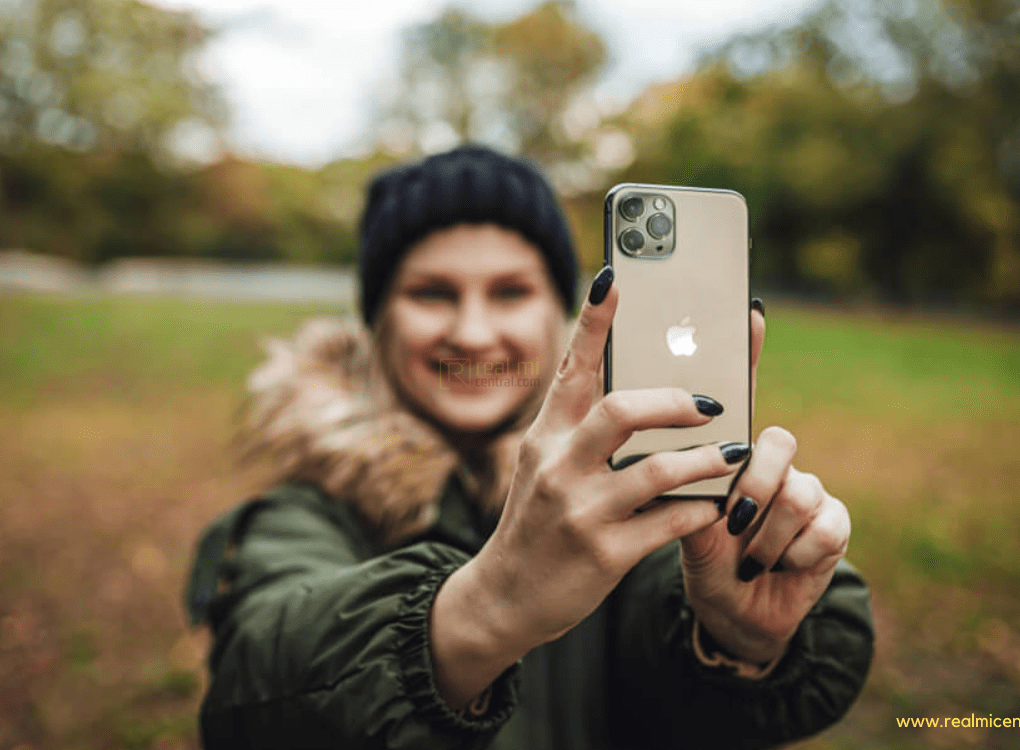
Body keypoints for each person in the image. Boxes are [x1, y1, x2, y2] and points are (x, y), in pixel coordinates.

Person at [184, 145, 874, 750]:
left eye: (511, 291)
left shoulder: (644, 483)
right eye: (431, 293)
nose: (474, 333)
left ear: (559, 315)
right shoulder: (306, 512)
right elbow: (254, 692)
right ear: (377, 319)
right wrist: (486, 606)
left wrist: (734, 639)